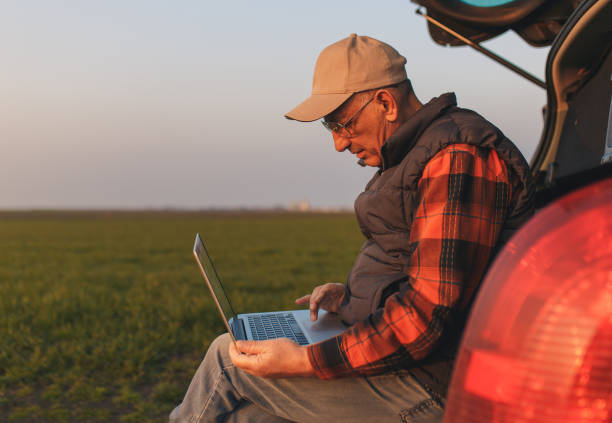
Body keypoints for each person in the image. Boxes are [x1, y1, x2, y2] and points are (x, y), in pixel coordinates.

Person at [170, 34, 534, 423]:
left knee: (227, 358)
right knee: (249, 418)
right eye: (330, 127)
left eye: (343, 124)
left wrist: (304, 360)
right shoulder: (416, 155)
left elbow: (427, 317)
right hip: (421, 368)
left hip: (442, 386)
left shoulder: (457, 158)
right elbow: (424, 276)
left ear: (385, 103)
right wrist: (352, 299)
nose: (339, 144)